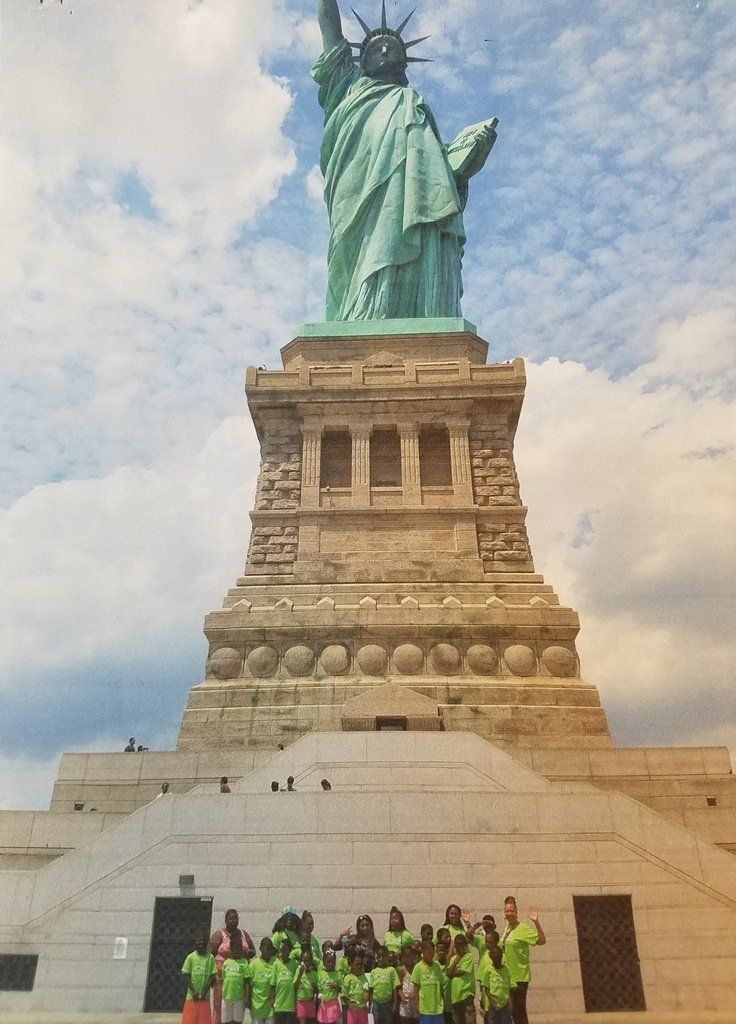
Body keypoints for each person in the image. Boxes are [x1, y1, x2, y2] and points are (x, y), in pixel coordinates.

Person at [312, 0, 496, 322]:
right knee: (354, 255)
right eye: (375, 49)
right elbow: (330, 27)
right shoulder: (346, 86)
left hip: (407, 198)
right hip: (354, 190)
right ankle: (357, 318)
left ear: (404, 66)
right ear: (361, 61)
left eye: (391, 49)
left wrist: (469, 155)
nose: (384, 52)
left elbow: (439, 176)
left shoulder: (413, 104)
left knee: (411, 235)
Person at [498, 900, 545, 1024]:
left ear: (516, 912)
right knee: (511, 1010)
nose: (509, 913)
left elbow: (541, 940)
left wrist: (536, 922)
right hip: (507, 976)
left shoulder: (523, 928)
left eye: (512, 911)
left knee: (519, 1011)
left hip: (519, 976)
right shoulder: (507, 929)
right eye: (507, 911)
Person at [209, 910, 256, 1024]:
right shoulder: (219, 934)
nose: (233, 921)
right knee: (221, 1008)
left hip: (240, 979)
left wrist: (246, 954)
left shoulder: (243, 934)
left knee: (238, 1011)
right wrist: (211, 974)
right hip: (222, 979)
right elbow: (209, 954)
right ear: (225, 920)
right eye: (231, 918)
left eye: (235, 918)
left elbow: (253, 950)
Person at [181, 935, 217, 1024]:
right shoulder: (190, 957)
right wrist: (194, 991)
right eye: (199, 941)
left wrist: (204, 992)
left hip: (205, 996)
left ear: (206, 944)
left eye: (203, 941)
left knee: (204, 1020)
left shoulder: (210, 957)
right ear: (195, 944)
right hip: (192, 996)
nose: (201, 943)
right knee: (189, 1020)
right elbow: (186, 975)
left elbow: (212, 977)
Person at [410, 941, 446, 1024]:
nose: (431, 955)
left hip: (437, 1009)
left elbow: (441, 986)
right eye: (429, 953)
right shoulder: (418, 967)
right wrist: (417, 1004)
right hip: (425, 1009)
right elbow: (416, 987)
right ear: (423, 952)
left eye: (433, 953)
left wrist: (443, 1001)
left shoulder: (437, 966)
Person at [445, 933, 475, 1024]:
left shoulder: (468, 957)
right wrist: (456, 960)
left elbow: (462, 971)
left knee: (469, 1020)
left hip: (466, 994)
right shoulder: (453, 958)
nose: (459, 948)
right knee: (458, 1020)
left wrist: (453, 973)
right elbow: (448, 973)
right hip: (455, 996)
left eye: (461, 945)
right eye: (457, 945)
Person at [221, 935, 251, 1024]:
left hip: (239, 998)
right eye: (235, 949)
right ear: (231, 949)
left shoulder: (244, 963)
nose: (237, 951)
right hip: (226, 997)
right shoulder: (226, 963)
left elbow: (247, 982)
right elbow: (224, 979)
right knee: (226, 1020)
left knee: (237, 1021)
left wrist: (246, 997)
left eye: (239, 949)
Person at [368, 945, 399, 1024]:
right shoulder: (374, 972)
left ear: (387, 957)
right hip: (376, 1003)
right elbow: (371, 989)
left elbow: (395, 987)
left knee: (388, 1021)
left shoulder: (391, 970)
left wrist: (395, 1003)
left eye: (383, 956)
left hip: (388, 1003)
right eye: (379, 957)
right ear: (376, 958)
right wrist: (370, 1004)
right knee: (377, 1021)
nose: (381, 959)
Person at [249, 937, 278, 1024]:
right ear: (261, 949)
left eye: (270, 949)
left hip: (271, 1007)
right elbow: (249, 985)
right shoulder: (253, 965)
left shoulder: (276, 963)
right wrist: (248, 1000)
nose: (268, 951)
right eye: (266, 949)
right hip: (256, 1006)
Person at [479, 946, 510, 1024]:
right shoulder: (488, 970)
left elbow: (510, 986)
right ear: (491, 957)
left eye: (499, 956)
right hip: (493, 1004)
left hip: (504, 1003)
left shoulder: (506, 969)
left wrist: (510, 1001)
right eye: (495, 957)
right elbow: (486, 987)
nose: (497, 959)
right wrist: (491, 1002)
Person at [273, 939, 299, 1024]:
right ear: (280, 950)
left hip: (290, 1003)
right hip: (279, 1003)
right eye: (283, 949)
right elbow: (272, 984)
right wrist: (272, 1000)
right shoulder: (276, 964)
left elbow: (297, 983)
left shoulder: (294, 963)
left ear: (290, 951)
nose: (284, 952)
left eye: (287, 949)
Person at [340, 952, 369, 1024]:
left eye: (361, 964)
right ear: (351, 965)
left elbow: (366, 989)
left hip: (362, 1010)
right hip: (352, 1011)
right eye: (357, 964)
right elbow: (343, 994)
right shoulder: (347, 978)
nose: (359, 966)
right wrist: (349, 1000)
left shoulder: (364, 977)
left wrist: (367, 995)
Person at [317, 947, 342, 1024]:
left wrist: (336, 986)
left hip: (333, 1004)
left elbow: (342, 989)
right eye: (328, 961)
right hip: (323, 1004)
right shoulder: (321, 974)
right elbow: (318, 988)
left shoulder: (337, 974)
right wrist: (319, 994)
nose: (331, 964)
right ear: (324, 962)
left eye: (333, 962)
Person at [294, 948, 319, 1024]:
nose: (306, 963)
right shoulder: (298, 971)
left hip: (310, 1002)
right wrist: (300, 974)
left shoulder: (314, 974)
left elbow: (317, 991)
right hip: (300, 1002)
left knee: (311, 1022)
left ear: (311, 961)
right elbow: (295, 986)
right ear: (301, 962)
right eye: (304, 960)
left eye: (308, 960)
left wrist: (314, 986)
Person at [397, 946, 419, 1024]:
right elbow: (399, 985)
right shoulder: (401, 969)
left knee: (415, 1020)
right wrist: (402, 996)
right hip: (405, 1001)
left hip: (415, 1000)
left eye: (410, 956)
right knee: (405, 1020)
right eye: (405, 956)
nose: (408, 958)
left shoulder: (417, 968)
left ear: (413, 956)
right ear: (402, 957)